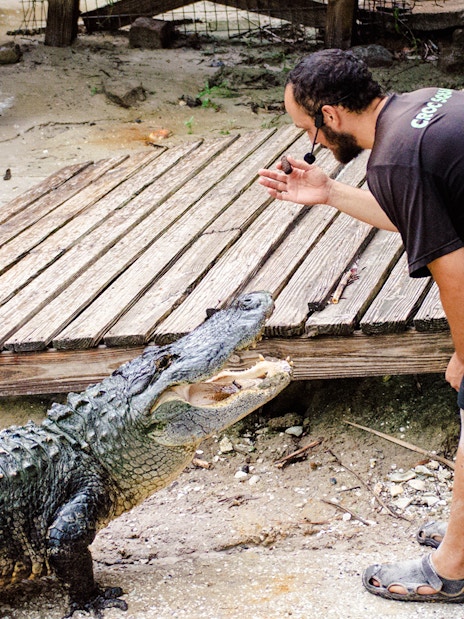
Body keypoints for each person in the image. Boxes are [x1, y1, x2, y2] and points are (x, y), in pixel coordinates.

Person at [258, 48, 464, 603]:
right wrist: (328, 192)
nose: (316, 146)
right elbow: (417, 210)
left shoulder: (395, 158)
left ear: (330, 114)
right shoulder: (419, 108)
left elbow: (455, 270)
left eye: (310, 131)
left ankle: (452, 569)